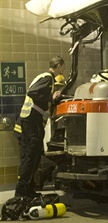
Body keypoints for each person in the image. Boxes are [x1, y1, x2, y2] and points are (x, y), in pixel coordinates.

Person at [13, 56, 65, 197]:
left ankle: (27, 187)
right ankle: (21, 189)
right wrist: (51, 98)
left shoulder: (45, 77)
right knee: (31, 155)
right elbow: (33, 93)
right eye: (62, 67)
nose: (63, 70)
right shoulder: (47, 77)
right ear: (59, 66)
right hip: (30, 120)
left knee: (33, 155)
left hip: (29, 120)